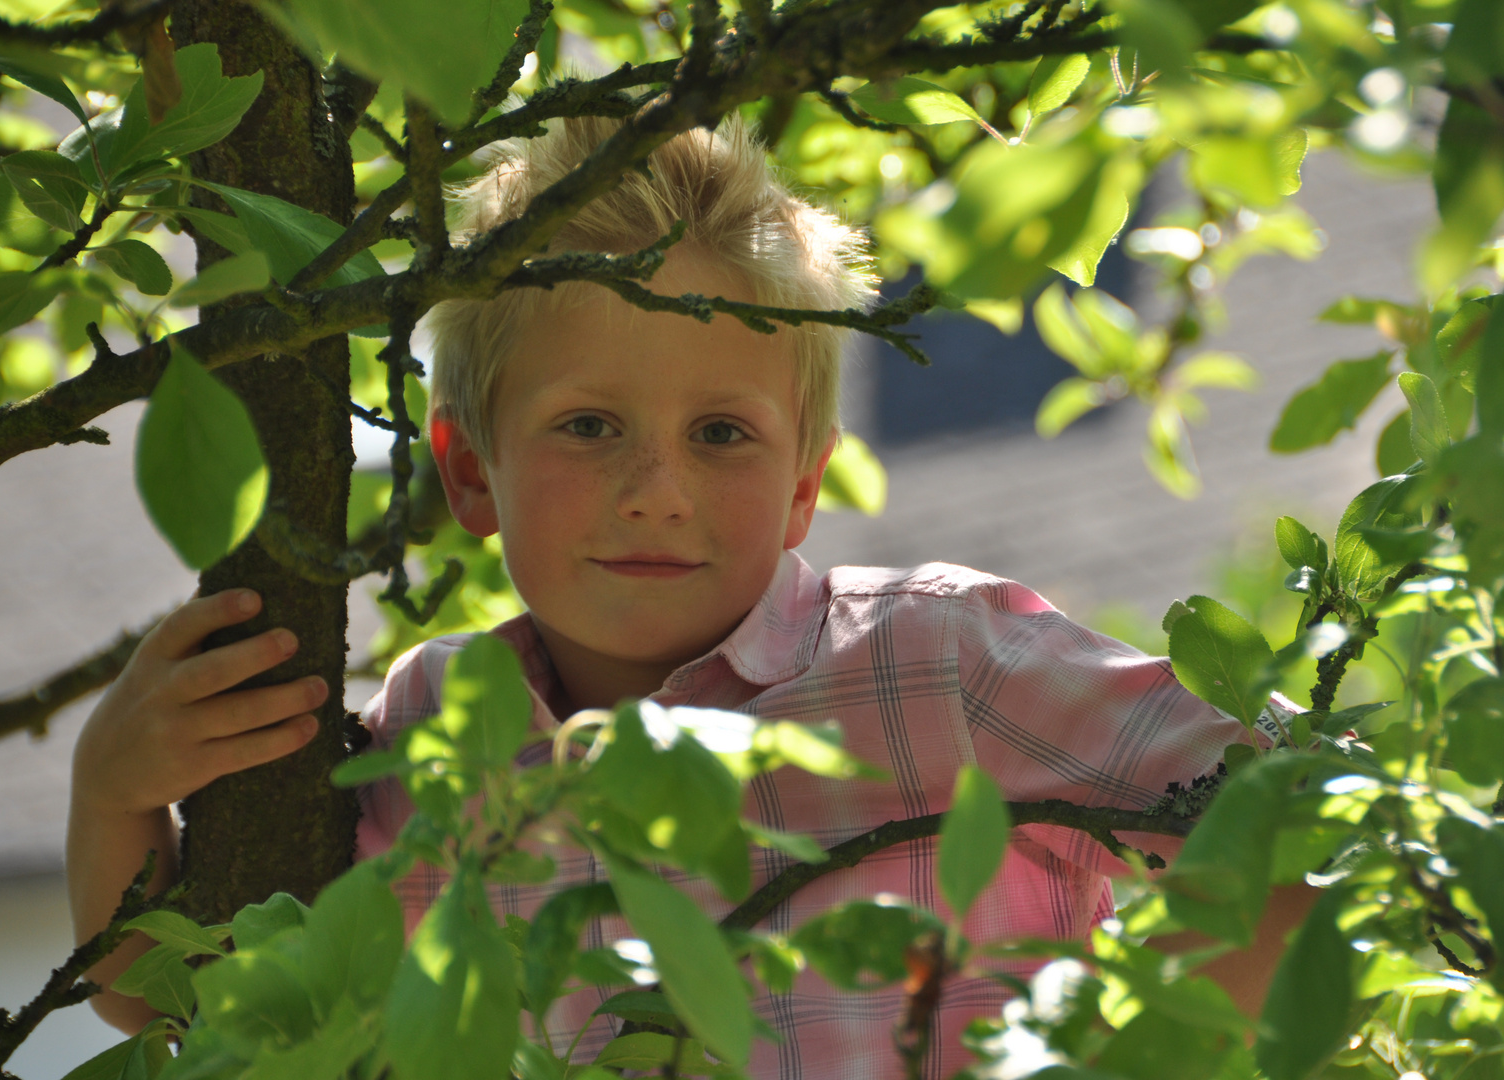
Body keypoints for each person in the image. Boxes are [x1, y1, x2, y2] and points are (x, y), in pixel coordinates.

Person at [67, 114, 1315, 1078]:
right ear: (466, 473)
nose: (657, 488)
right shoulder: (441, 734)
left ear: (801, 490)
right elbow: (192, 997)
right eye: (590, 424)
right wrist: (113, 791)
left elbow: (1292, 828)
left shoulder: (941, 664)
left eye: (722, 432)